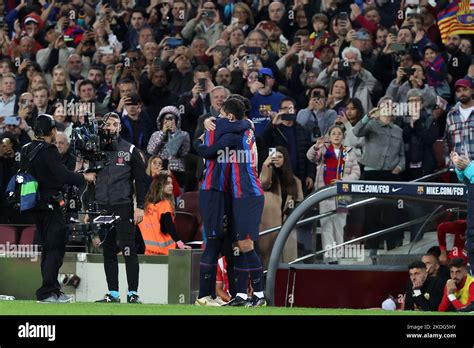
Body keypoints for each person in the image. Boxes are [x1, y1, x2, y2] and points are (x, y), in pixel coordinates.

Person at [195, 98, 266, 307]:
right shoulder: (243, 130)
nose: (218, 119)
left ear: (231, 117)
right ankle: (242, 295)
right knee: (238, 244)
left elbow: (208, 150)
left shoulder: (237, 132)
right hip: (237, 194)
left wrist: (206, 124)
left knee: (245, 244)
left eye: (222, 115)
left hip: (248, 194)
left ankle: (259, 295)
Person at [27, 114, 96, 303]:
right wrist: (84, 177)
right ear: (51, 131)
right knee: (55, 248)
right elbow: (61, 175)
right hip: (50, 205)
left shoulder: (27, 149)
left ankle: (51, 291)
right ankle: (48, 292)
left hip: (34, 205)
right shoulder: (48, 149)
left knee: (48, 249)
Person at [92, 112, 146, 304]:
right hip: (102, 207)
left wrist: (139, 206)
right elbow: (88, 180)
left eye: (115, 124)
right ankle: (112, 293)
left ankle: (133, 293)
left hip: (123, 206)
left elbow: (141, 179)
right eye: (109, 124)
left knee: (128, 248)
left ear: (120, 127)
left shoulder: (130, 149)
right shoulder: (96, 149)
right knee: (108, 250)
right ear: (104, 127)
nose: (112, 127)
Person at [307, 125, 361, 263]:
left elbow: (356, 173)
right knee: (326, 226)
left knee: (339, 225)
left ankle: (338, 256)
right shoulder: (323, 151)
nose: (336, 136)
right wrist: (316, 146)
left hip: (341, 194)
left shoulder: (349, 151)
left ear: (343, 136)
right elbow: (310, 157)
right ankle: (330, 258)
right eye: (333, 133)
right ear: (329, 136)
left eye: (339, 133)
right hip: (324, 194)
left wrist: (342, 181)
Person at [259, 146, 304, 268]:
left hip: (287, 225)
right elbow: (263, 184)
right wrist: (266, 165)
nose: (277, 159)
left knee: (286, 262)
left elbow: (300, 203)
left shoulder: (295, 181)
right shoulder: (268, 177)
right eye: (274, 157)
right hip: (268, 226)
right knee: (267, 262)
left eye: (280, 157)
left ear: (285, 159)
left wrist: (291, 215)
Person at [139, 173, 191, 255]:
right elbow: (169, 226)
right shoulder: (165, 205)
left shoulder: (145, 206)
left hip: (148, 252)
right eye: (167, 183)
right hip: (165, 253)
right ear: (160, 186)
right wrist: (180, 244)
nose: (171, 186)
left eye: (171, 183)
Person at [146, 106, 190, 188]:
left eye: (171, 119)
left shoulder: (183, 135)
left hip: (177, 173)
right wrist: (163, 133)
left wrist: (174, 135)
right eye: (166, 118)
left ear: (176, 120)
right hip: (160, 170)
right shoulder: (156, 135)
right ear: (162, 120)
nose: (168, 121)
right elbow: (151, 151)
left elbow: (180, 152)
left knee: (177, 197)